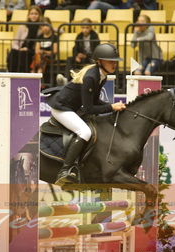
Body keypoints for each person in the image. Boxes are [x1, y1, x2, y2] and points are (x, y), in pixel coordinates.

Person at [46, 43, 126, 186]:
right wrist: (111, 107)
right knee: (85, 132)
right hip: (61, 108)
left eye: (115, 61)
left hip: (72, 107)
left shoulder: (102, 76)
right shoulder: (91, 77)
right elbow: (89, 108)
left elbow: (95, 101)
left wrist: (114, 107)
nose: (114, 64)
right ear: (99, 61)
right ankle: (64, 170)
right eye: (110, 61)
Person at [58, 18, 100, 85]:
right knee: (69, 59)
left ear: (91, 27)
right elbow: (75, 48)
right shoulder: (79, 36)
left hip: (91, 58)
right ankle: (66, 79)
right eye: (83, 28)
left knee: (93, 61)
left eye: (87, 28)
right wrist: (76, 56)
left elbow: (96, 50)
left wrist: (86, 56)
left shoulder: (95, 36)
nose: (85, 30)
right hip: (81, 57)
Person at [8, 5, 42, 72]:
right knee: (13, 53)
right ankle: (12, 74)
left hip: (33, 50)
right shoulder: (22, 26)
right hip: (21, 48)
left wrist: (52, 28)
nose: (34, 16)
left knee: (24, 54)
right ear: (28, 15)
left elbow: (57, 30)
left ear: (39, 15)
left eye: (36, 14)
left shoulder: (42, 27)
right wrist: (19, 48)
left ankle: (23, 74)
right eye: (32, 14)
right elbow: (15, 42)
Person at [31, 17, 58, 86]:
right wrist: (42, 52)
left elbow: (54, 51)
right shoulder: (39, 36)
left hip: (50, 57)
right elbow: (36, 50)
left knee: (41, 57)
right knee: (39, 56)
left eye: (46, 25)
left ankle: (34, 75)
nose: (45, 28)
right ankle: (38, 77)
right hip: (40, 57)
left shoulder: (54, 37)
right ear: (40, 27)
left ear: (50, 25)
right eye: (43, 26)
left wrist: (45, 52)